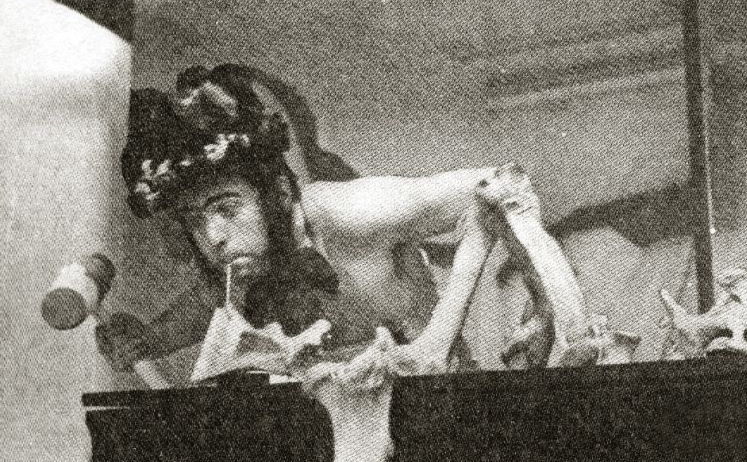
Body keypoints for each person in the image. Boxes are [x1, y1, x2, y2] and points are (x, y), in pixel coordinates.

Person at [97, 64, 574, 376]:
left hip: (437, 412)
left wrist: (545, 308)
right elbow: (206, 306)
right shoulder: (243, 262)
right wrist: (148, 340)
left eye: (226, 207)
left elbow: (502, 184)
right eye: (194, 219)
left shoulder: (345, 215)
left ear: (277, 193)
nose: (213, 237)